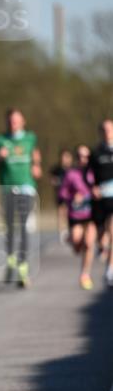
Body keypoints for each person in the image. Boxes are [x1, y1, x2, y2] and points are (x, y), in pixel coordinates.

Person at [0, 109, 42, 288]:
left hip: (26, 188)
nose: (13, 123)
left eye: (16, 120)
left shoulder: (30, 138)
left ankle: (23, 267)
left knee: (24, 226)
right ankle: (11, 259)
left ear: (23, 121)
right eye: (10, 121)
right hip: (7, 188)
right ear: (7, 122)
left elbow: (35, 154)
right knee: (11, 227)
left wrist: (36, 166)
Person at [58, 147, 97, 289]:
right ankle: (73, 241)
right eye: (80, 156)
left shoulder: (94, 173)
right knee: (76, 244)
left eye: (86, 156)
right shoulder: (71, 174)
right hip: (76, 214)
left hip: (92, 214)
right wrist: (72, 198)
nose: (83, 159)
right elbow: (62, 193)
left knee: (89, 243)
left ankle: (85, 274)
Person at [88, 118, 113, 287]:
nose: (107, 132)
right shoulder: (96, 153)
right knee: (102, 232)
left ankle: (110, 269)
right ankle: (102, 246)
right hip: (100, 198)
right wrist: (92, 187)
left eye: (110, 129)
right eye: (104, 129)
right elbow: (87, 175)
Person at [50, 148, 74, 243]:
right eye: (64, 157)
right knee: (61, 212)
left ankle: (70, 230)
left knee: (70, 213)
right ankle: (62, 232)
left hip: (71, 195)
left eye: (67, 157)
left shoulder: (73, 169)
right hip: (61, 194)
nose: (65, 159)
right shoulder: (57, 169)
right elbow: (52, 180)